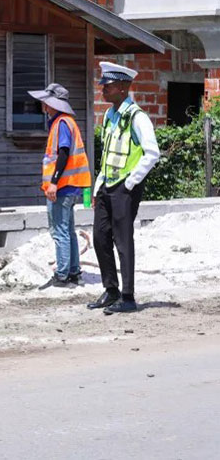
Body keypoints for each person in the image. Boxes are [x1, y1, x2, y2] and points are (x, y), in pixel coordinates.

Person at [88, 61, 160, 314]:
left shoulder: (138, 118)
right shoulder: (109, 116)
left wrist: (130, 182)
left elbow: (152, 153)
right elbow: (108, 153)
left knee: (122, 241)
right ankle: (111, 291)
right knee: (99, 237)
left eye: (107, 87)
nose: (102, 91)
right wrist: (99, 185)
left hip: (125, 189)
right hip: (107, 185)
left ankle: (128, 297)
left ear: (121, 87)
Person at [28, 83, 92, 290]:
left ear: (53, 103)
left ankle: (63, 274)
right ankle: (74, 271)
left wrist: (54, 183)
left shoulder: (61, 123)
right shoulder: (66, 122)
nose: (43, 105)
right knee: (69, 230)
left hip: (62, 186)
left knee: (60, 231)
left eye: (46, 102)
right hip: (71, 185)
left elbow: (63, 154)